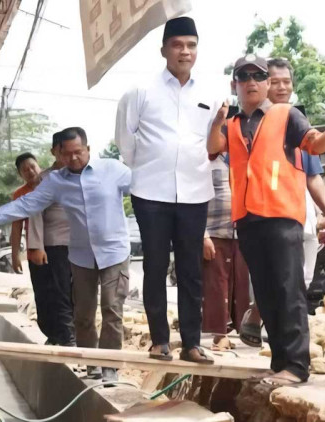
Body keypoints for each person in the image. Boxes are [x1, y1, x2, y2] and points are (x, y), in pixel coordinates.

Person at [208, 54, 325, 386]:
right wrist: (217, 121)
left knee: (289, 290)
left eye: (258, 76)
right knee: (266, 294)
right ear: (234, 84)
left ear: (267, 83)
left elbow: (316, 145)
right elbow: (213, 147)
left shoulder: (287, 115)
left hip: (281, 217)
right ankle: (280, 362)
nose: (251, 82)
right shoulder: (233, 123)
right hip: (248, 220)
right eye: (244, 76)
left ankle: (297, 366)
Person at [0, 128, 131, 383]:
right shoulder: (55, 182)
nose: (73, 158)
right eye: (67, 154)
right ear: (59, 154)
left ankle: (110, 367)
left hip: (114, 252)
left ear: (88, 149)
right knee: (83, 315)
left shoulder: (113, 170)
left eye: (78, 152)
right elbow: (27, 204)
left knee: (112, 308)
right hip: (81, 257)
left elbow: (145, 189)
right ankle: (92, 362)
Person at [115, 17, 218, 364]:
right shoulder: (140, 91)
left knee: (191, 269)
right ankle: (160, 340)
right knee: (155, 266)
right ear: (163, 50)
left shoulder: (211, 93)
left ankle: (192, 343)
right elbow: (124, 140)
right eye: (177, 45)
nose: (184, 51)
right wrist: (147, 165)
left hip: (195, 192)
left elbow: (215, 140)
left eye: (191, 45)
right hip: (150, 193)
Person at [239, 57, 325, 348]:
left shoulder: (296, 121)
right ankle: (269, 333)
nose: (282, 87)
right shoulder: (247, 126)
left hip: (298, 213)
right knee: (273, 282)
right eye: (275, 81)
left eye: (287, 82)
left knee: (298, 282)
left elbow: (312, 174)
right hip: (265, 216)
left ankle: (289, 351)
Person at [26, 134, 75, 347]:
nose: (68, 156)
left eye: (73, 150)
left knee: (77, 292)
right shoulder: (44, 179)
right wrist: (36, 246)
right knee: (57, 291)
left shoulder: (83, 175)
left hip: (80, 244)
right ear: (54, 151)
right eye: (62, 150)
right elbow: (35, 212)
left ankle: (69, 334)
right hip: (55, 244)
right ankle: (66, 336)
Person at [201, 154, 250, 351]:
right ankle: (219, 336)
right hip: (214, 233)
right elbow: (196, 200)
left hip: (240, 232)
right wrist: (203, 235)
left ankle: (234, 332)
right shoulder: (205, 162)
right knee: (217, 286)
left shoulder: (240, 157)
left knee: (238, 285)